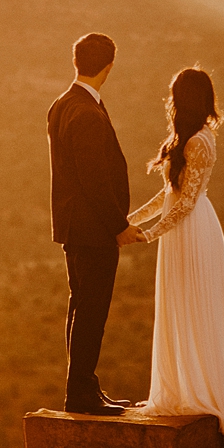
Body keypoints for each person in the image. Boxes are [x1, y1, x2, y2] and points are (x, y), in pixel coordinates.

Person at [129, 66, 224, 447]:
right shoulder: (187, 138)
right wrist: (128, 220)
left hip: (192, 233)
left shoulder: (198, 141)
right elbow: (168, 196)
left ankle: (201, 392)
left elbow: (186, 204)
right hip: (181, 230)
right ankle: (183, 389)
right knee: (180, 306)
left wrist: (146, 235)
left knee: (195, 306)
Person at [47, 32, 144, 415]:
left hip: (74, 227)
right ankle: (81, 395)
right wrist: (118, 225)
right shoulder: (87, 112)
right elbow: (94, 179)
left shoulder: (61, 104)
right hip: (93, 229)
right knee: (92, 312)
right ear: (109, 67)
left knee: (80, 307)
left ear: (77, 62)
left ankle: (85, 385)